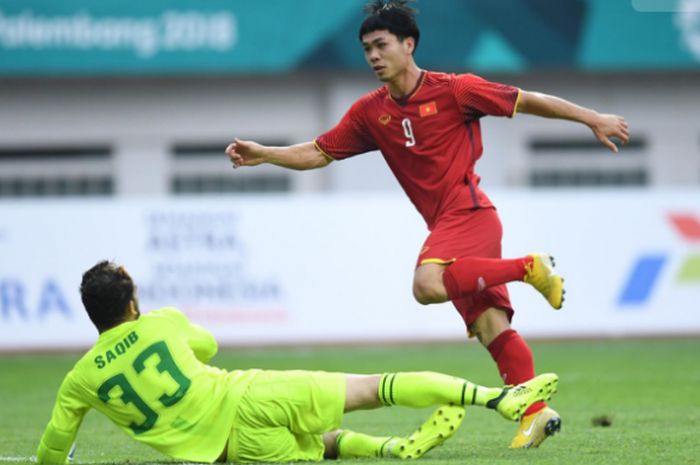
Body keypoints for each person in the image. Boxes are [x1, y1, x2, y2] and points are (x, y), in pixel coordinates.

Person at [225, 0, 629, 450]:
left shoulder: (456, 90)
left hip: (469, 211)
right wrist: (265, 153)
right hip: (450, 221)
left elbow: (526, 100)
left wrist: (593, 117)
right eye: (366, 49)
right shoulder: (369, 113)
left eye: (381, 45)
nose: (373, 56)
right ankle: (536, 413)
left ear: (408, 44)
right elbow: (318, 152)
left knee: (426, 285)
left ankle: (529, 267)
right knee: (491, 328)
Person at [37, 260, 559, 464]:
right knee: (373, 388)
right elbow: (209, 348)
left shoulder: (80, 380)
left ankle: (392, 450)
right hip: (254, 391)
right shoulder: (161, 321)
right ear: (131, 304)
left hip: (228, 452)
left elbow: (54, 447)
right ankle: (500, 397)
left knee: (321, 448)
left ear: (90, 315)